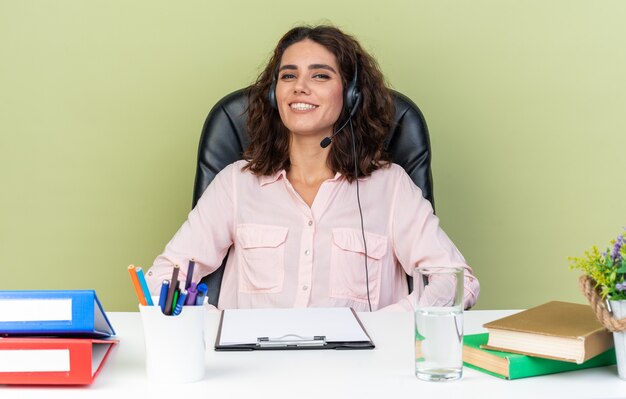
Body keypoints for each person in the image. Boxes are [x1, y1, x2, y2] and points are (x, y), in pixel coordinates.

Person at [145, 25, 480, 311]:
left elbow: (457, 282)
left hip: (359, 372)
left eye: (320, 75)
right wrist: (211, 326)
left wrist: (391, 324)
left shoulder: (390, 186)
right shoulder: (235, 183)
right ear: (275, 95)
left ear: (351, 96)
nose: (299, 86)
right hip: (253, 374)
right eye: (288, 75)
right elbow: (165, 276)